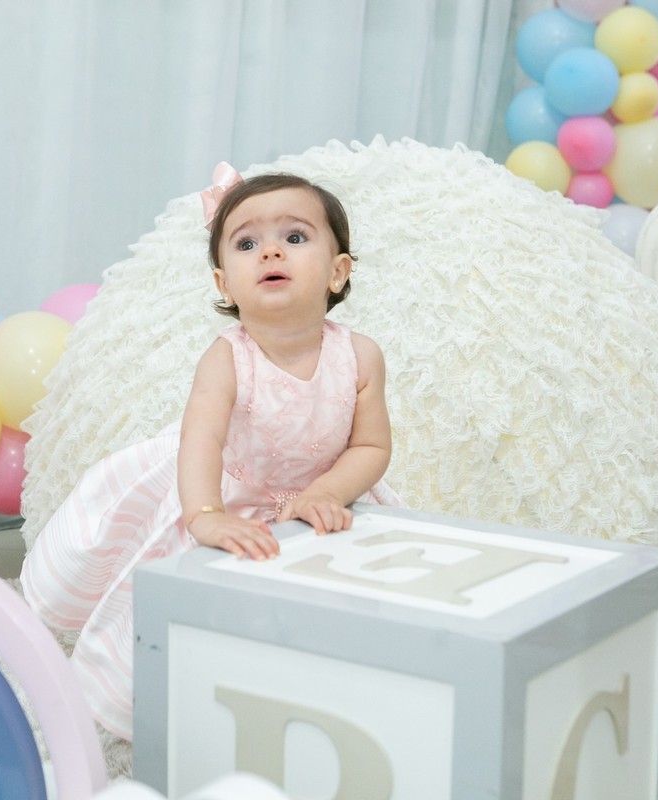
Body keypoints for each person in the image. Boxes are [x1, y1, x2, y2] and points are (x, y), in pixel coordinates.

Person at [20, 165, 402, 740]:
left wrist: (327, 491)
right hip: (225, 487)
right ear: (224, 284)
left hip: (325, 490)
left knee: (341, 608)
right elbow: (201, 441)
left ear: (337, 270)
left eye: (294, 236)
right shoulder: (227, 358)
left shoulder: (360, 356)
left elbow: (371, 445)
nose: (270, 251)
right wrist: (205, 516)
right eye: (247, 244)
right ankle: (187, 701)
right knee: (201, 605)